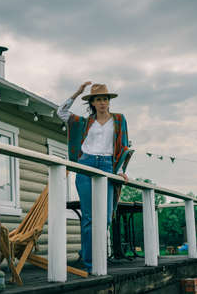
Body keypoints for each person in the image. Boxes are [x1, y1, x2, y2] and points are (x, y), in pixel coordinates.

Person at [57, 81, 132, 272]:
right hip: (86, 164)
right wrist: (77, 92)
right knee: (89, 217)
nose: (102, 103)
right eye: (98, 99)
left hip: (107, 166)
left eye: (105, 99)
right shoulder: (84, 122)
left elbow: (124, 146)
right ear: (92, 102)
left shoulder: (119, 120)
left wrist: (121, 169)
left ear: (109, 101)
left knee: (106, 217)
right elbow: (61, 112)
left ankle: (98, 256)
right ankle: (91, 264)